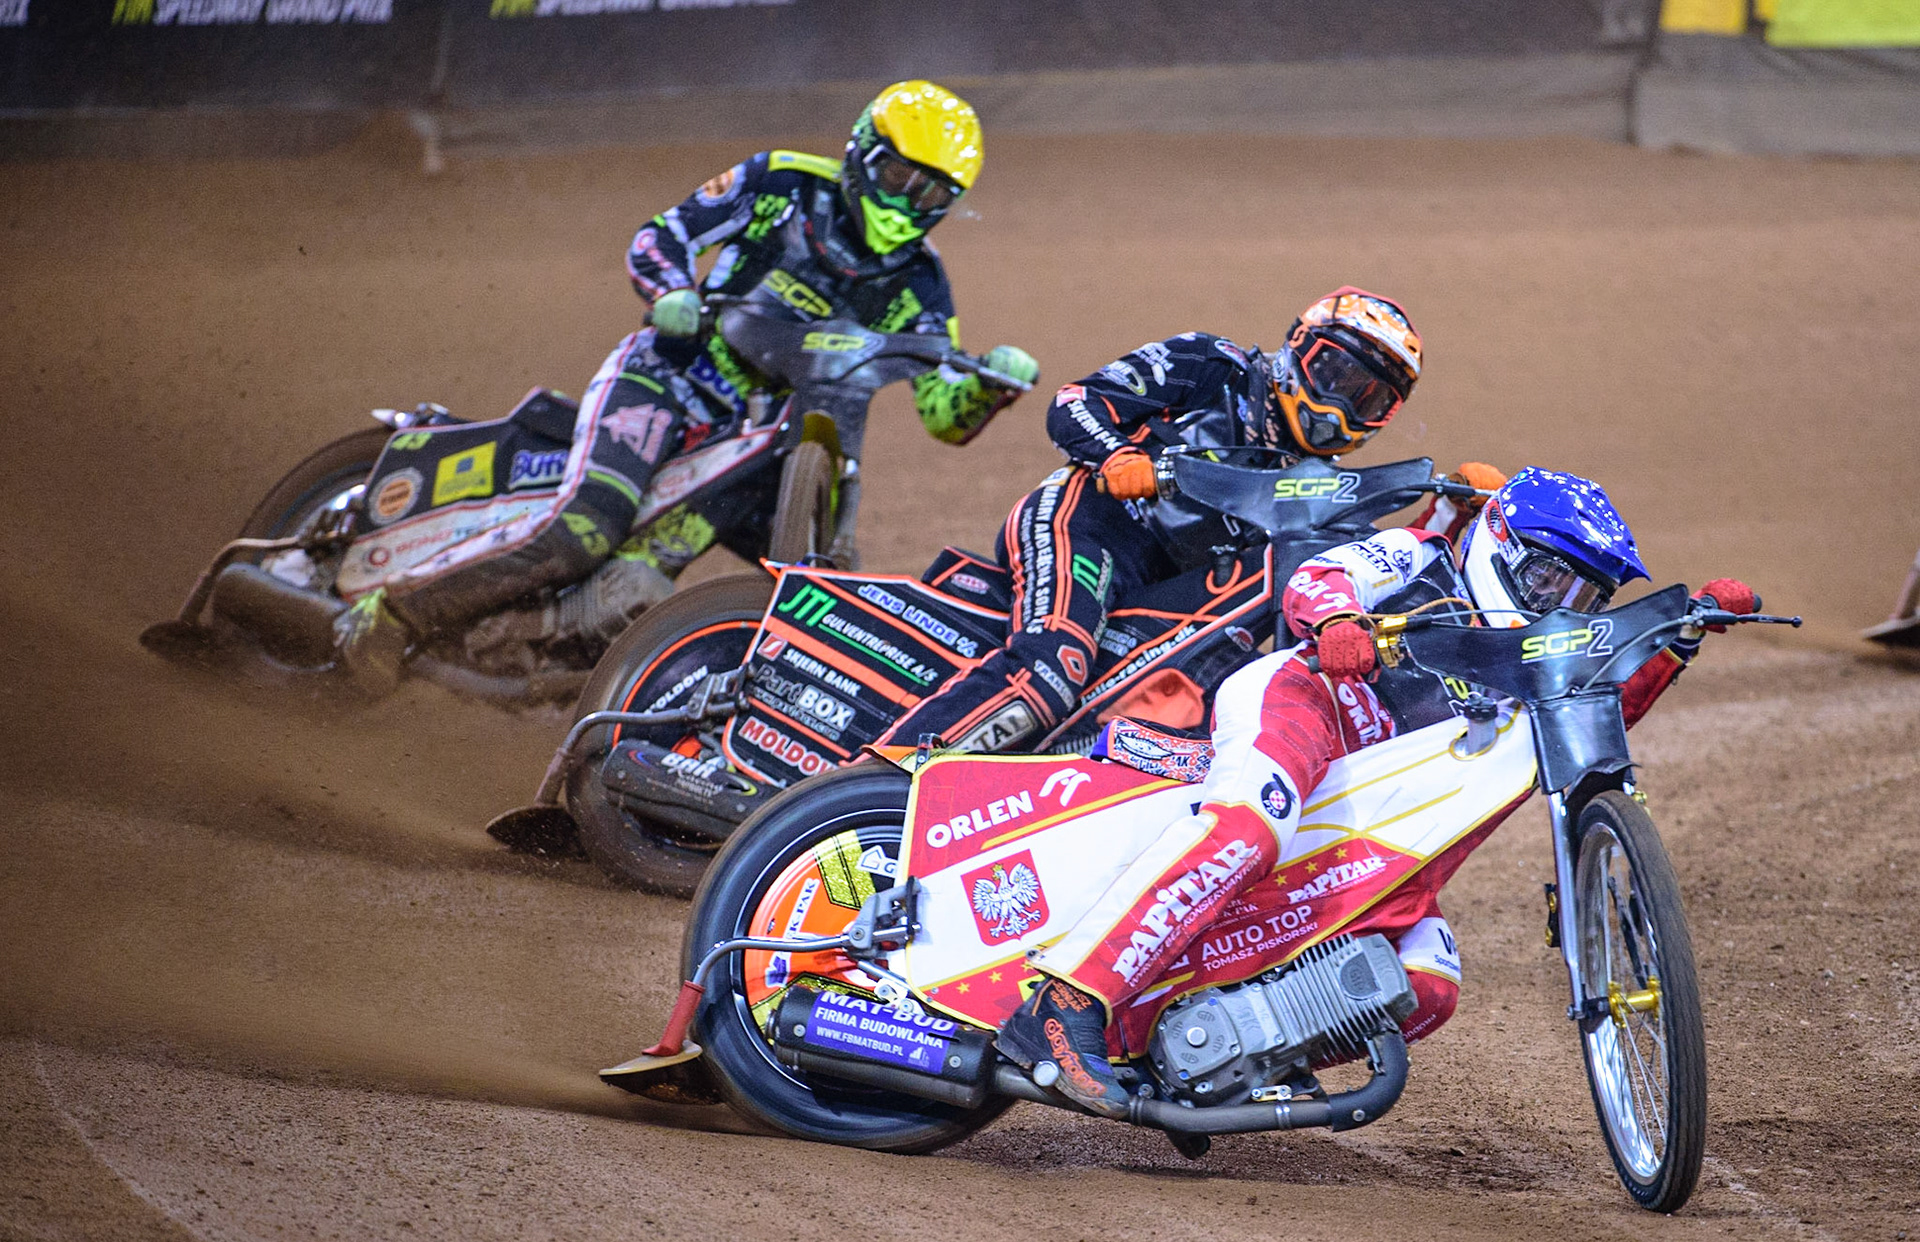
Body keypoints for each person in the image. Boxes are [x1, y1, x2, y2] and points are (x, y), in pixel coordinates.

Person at [995, 467, 1758, 1115]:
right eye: (1549, 578)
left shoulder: (1534, 668)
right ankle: (1064, 1005)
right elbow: (1320, 576)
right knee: (1252, 825)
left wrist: (1676, 643)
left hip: (1375, 825)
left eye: (1583, 597)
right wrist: (1336, 619)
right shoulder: (1422, 556)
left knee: (1429, 981)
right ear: (1500, 543)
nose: (1560, 604)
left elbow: (1599, 714)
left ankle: (1214, 1067)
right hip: (1306, 706)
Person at [332, 80, 1039, 694]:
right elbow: (660, 236)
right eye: (898, 175)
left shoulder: (922, 280)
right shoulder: (783, 183)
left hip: (762, 442)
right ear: (861, 150)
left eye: (933, 191)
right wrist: (670, 289)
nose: (908, 200)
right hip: (666, 379)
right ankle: (394, 613)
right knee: (588, 528)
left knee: (787, 594)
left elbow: (943, 408)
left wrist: (992, 384)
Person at [877, 287, 1504, 754]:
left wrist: (1450, 513)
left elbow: (1369, 570)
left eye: (1367, 397)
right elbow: (1075, 402)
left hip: (1172, 594)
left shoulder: (1326, 490)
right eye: (1332, 373)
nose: (1340, 401)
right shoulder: (1211, 365)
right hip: (1091, 525)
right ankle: (872, 790)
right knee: (1050, 672)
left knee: (1175, 727)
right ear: (1296, 347)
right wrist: (1117, 455)